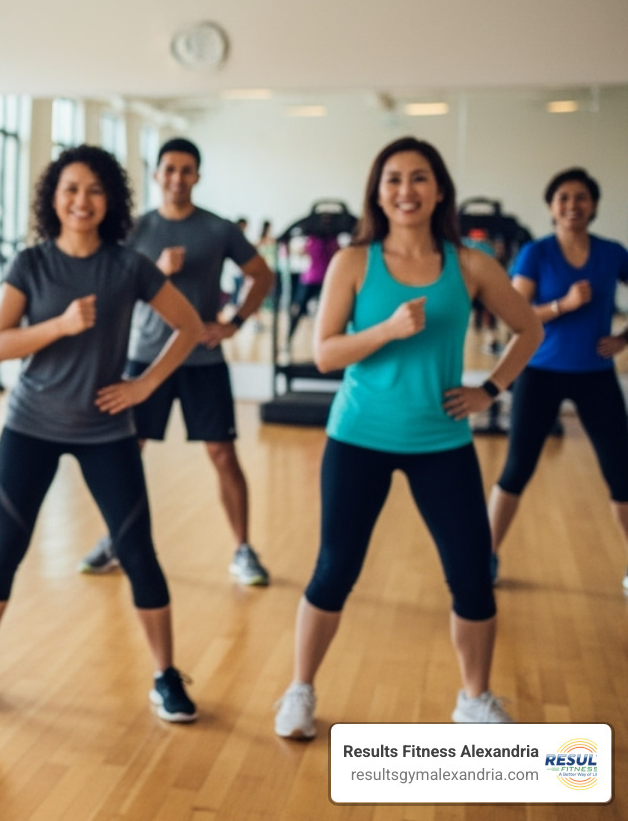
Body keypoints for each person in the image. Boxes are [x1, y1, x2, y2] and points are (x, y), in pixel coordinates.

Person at [272, 137, 541, 740]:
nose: (406, 190)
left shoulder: (470, 263)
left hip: (441, 440)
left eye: (419, 178)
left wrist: (490, 390)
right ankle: (300, 690)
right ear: (378, 192)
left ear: (439, 189)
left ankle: (474, 698)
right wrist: (387, 331)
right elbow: (324, 353)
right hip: (359, 436)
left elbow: (528, 329)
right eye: (393, 179)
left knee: (471, 574)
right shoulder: (352, 262)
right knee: (335, 569)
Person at [0, 147, 204, 721]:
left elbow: (189, 327)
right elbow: (0, 344)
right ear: (53, 198)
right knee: (5, 549)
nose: (81, 201)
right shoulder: (31, 264)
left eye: (94, 190)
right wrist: (59, 325)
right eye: (70, 189)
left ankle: (165, 675)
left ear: (110, 200)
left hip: (106, 429)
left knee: (137, 552)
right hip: (30, 426)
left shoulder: (129, 265)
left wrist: (144, 386)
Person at [79, 138, 276, 585]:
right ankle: (115, 539)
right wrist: (156, 271)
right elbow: (108, 288)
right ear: (156, 174)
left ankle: (243, 549)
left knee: (222, 454)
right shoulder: (135, 229)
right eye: (169, 169)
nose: (177, 178)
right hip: (145, 360)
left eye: (186, 170)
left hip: (202, 359)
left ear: (197, 176)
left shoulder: (218, 229)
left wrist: (233, 323)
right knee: (125, 454)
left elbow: (261, 274)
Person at [487, 168, 628, 591]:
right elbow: (515, 313)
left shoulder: (612, 253)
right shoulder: (537, 253)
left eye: (581, 197)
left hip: (595, 375)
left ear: (594, 205)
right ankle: (485, 557)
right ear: (551, 206)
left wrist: (624, 339)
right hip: (540, 373)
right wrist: (563, 305)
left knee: (621, 473)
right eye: (563, 197)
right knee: (517, 469)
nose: (572, 205)